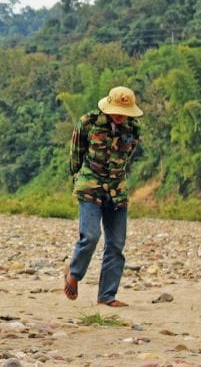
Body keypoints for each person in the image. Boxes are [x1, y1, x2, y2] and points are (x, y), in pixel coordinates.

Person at [64, 86, 144, 308]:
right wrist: (77, 179)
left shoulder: (133, 129)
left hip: (117, 190)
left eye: (124, 112)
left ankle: (106, 296)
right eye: (117, 111)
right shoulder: (88, 122)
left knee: (116, 244)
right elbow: (76, 153)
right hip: (90, 185)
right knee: (90, 235)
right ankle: (74, 272)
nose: (120, 116)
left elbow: (128, 157)